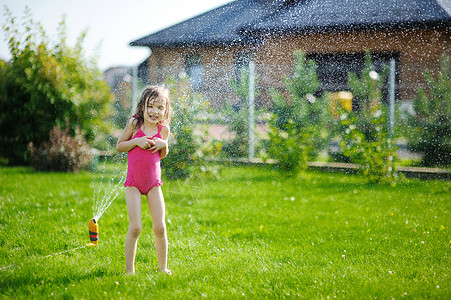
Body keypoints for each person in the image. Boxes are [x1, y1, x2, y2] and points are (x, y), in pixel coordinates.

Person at [116, 86, 172, 275]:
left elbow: (162, 155)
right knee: (136, 227)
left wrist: (164, 144)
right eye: (150, 106)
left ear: (165, 110)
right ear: (143, 106)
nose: (154, 111)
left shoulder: (163, 129)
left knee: (160, 226)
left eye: (159, 107)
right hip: (133, 184)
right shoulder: (134, 124)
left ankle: (163, 268)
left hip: (153, 185)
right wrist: (136, 142)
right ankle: (129, 270)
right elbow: (120, 146)